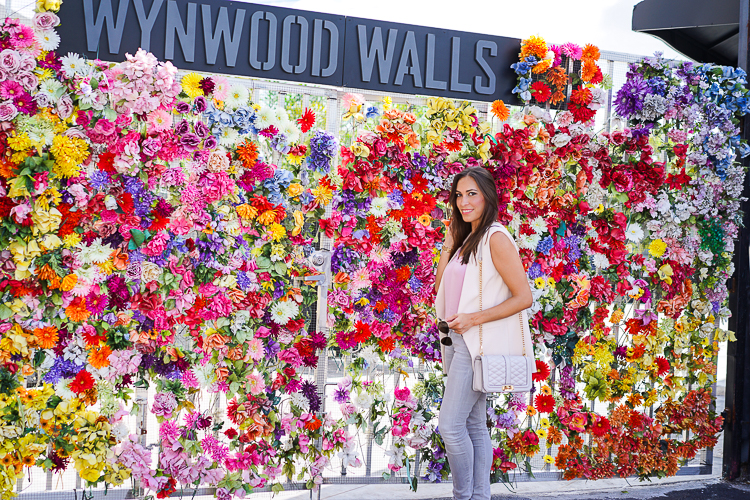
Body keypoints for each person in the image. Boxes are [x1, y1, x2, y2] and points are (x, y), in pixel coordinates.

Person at [434, 166, 533, 500]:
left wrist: (475, 319)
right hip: (459, 342)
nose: (464, 202)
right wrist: (449, 245)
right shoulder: (466, 242)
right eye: (459, 195)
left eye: (472, 193)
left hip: (476, 345)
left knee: (450, 426)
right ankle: (479, 497)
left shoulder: (495, 238)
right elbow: (441, 293)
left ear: (489, 196)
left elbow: (524, 297)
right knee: (474, 425)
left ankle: (464, 496)